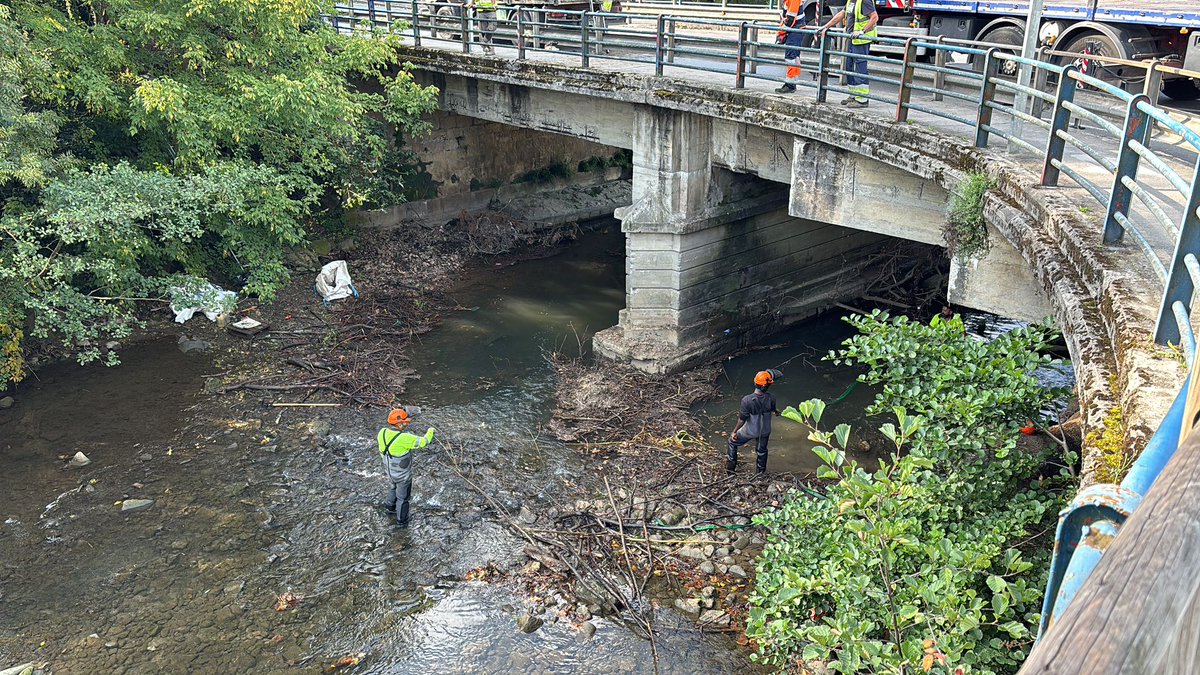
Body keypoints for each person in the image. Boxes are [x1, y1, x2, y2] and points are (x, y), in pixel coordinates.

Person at [378, 408, 436, 528]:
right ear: (399, 424)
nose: (406, 423)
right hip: (403, 476)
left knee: (393, 487)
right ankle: (402, 522)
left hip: (389, 472)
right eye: (404, 422)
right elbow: (424, 442)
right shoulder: (404, 438)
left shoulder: (382, 432)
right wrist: (430, 431)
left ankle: (389, 508)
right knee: (403, 498)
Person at [819, 0, 879, 107]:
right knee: (849, 67)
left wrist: (862, 31)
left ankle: (862, 99)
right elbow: (842, 14)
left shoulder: (864, 1)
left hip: (861, 40)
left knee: (860, 68)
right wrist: (826, 26)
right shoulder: (851, 1)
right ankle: (853, 95)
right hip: (851, 38)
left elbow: (874, 17)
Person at [727, 370, 781, 475]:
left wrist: (734, 432)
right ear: (767, 386)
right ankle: (760, 474)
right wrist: (777, 412)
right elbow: (775, 410)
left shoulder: (747, 400)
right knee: (762, 451)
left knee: (732, 442)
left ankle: (730, 471)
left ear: (755, 383)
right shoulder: (771, 398)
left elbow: (742, 419)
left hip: (750, 430)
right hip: (765, 431)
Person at [774, 0, 807, 94]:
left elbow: (790, 20)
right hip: (796, 29)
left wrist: (780, 32)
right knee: (794, 57)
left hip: (795, 29)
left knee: (790, 57)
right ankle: (792, 83)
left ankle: (790, 84)